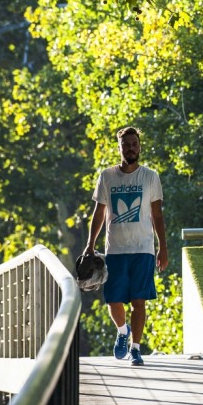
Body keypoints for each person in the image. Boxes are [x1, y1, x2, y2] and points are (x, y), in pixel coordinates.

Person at [82, 126, 168, 366]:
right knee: (113, 300)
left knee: (138, 300)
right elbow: (98, 213)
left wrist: (163, 247)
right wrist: (90, 244)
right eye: (126, 145)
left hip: (143, 249)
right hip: (115, 250)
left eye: (134, 144)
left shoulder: (150, 176)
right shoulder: (107, 177)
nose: (130, 148)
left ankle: (136, 349)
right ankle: (122, 331)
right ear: (119, 148)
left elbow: (157, 215)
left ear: (139, 147)